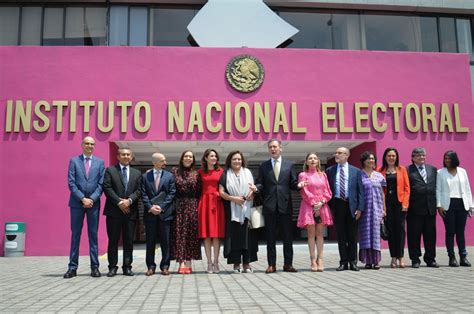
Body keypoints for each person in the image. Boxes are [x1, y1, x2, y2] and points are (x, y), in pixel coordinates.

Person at [255, 139, 300, 273]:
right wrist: (256, 188)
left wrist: (299, 185)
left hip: (285, 205)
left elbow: (293, 183)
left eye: (275, 147)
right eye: (270, 147)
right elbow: (261, 183)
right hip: (269, 206)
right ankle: (271, 264)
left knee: (287, 237)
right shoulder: (263, 166)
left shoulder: (289, 165)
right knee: (270, 237)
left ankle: (288, 264)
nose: (273, 149)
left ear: (281, 148)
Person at [64, 136, 105, 279]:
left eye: (92, 144)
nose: (89, 146)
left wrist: (91, 199)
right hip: (77, 204)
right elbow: (71, 183)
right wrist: (82, 198)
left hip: (93, 204)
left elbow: (101, 184)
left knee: (93, 236)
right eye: (87, 143)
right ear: (82, 145)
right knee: (75, 235)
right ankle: (72, 268)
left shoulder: (100, 163)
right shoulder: (74, 161)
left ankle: (95, 267)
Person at [103, 148, 142, 277]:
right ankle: (112, 267)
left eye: (128, 154)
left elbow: (139, 190)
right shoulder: (110, 171)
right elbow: (107, 187)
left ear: (131, 157)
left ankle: (127, 267)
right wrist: (119, 202)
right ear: (118, 157)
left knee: (129, 241)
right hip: (114, 212)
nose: (126, 156)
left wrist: (129, 201)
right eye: (123, 154)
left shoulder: (137, 173)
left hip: (130, 212)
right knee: (113, 240)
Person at [326, 147, 365, 271]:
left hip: (352, 205)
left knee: (352, 235)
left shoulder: (356, 171)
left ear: (347, 155)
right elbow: (328, 190)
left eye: (339, 153)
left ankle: (353, 262)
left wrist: (360, 208)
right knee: (341, 235)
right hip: (338, 205)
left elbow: (360, 191)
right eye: (336, 152)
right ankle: (343, 262)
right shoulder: (330, 170)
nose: (336, 155)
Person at [219, 151, 258, 273]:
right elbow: (221, 192)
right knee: (234, 238)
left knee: (248, 238)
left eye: (239, 159)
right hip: (232, 210)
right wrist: (234, 199)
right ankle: (236, 264)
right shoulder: (225, 174)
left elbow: (253, 188)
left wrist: (251, 195)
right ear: (230, 161)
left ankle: (247, 263)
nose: (237, 161)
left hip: (247, 209)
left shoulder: (248, 172)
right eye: (234, 159)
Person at [297, 152, 333, 272]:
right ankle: (312, 260)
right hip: (308, 206)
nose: (313, 160)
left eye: (315, 158)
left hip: (322, 206)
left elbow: (328, 191)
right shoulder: (303, 175)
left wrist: (321, 202)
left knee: (320, 233)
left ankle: (320, 259)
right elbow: (304, 192)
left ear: (318, 161)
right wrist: (314, 203)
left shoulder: (323, 175)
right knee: (311, 233)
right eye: (310, 159)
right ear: (306, 162)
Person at [141, 153, 176, 276]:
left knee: (165, 242)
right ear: (154, 162)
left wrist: (161, 207)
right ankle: (150, 267)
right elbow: (143, 194)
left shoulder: (170, 176)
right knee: (150, 242)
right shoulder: (145, 177)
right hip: (150, 214)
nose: (165, 162)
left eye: (165, 160)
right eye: (162, 160)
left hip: (165, 214)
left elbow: (172, 194)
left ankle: (165, 266)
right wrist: (150, 207)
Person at [436, 150, 473, 267]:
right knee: (450, 232)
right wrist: (439, 205)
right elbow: (438, 190)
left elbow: (467, 189)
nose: (447, 160)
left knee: (460, 232)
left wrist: (471, 205)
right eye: (445, 158)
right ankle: (451, 257)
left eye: (449, 158)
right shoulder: (440, 172)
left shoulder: (462, 172)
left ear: (454, 159)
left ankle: (463, 256)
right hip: (448, 205)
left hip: (462, 204)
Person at [378, 147, 410, 268]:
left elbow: (407, 188)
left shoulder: (402, 170)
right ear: (385, 157)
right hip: (386, 205)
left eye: (393, 156)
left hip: (400, 204)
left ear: (396, 157)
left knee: (400, 231)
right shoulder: (380, 171)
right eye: (389, 156)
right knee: (391, 231)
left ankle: (401, 257)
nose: (391, 158)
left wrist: (405, 204)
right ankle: (393, 258)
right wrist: (382, 208)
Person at [407, 147, 439, 268]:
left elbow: (436, 187)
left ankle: (430, 258)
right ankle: (415, 259)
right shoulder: (407, 170)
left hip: (430, 207)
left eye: (423, 155)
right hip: (414, 209)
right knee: (414, 235)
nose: (422, 157)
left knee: (430, 235)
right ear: (413, 157)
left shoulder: (433, 169)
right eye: (419, 155)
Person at [171, 150, 202, 274]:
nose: (188, 158)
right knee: (179, 235)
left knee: (191, 234)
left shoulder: (197, 173)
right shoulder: (174, 171)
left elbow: (199, 190)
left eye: (190, 157)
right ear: (182, 158)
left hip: (193, 205)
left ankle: (189, 263)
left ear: (193, 159)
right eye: (186, 156)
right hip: (179, 206)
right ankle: (181, 263)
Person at [198, 148, 225, 273]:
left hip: (217, 203)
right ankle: (209, 263)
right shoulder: (200, 172)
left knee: (216, 235)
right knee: (206, 235)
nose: (214, 158)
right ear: (206, 158)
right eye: (211, 156)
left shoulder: (221, 171)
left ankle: (216, 262)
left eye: (215, 156)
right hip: (204, 203)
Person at [359, 151, 386, 269]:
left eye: (373, 159)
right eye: (369, 159)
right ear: (364, 161)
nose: (371, 161)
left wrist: (384, 209)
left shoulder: (379, 176)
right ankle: (367, 261)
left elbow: (382, 193)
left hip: (377, 208)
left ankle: (376, 261)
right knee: (365, 235)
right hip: (364, 210)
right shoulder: (359, 175)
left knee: (375, 234)